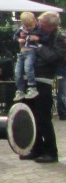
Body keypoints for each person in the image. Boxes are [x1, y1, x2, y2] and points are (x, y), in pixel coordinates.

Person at [24, 11, 61, 164]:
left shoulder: (60, 38)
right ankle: (37, 148)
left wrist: (38, 46)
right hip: (32, 80)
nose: (40, 26)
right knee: (32, 116)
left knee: (43, 118)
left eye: (43, 24)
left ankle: (51, 152)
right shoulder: (39, 32)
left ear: (51, 26)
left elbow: (54, 57)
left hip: (44, 80)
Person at [13, 11, 44, 100]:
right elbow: (15, 36)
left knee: (28, 68)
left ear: (34, 21)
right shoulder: (21, 29)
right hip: (22, 52)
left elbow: (44, 38)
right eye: (26, 26)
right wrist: (19, 39)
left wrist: (37, 38)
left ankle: (32, 87)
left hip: (31, 51)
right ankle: (20, 90)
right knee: (17, 72)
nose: (28, 28)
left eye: (30, 26)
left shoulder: (38, 29)